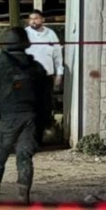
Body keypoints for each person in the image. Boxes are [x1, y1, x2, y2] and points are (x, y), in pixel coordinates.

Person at [0, 27, 48, 204]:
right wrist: (45, 121)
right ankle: (23, 194)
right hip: (31, 119)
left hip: (5, 120)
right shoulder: (37, 68)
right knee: (25, 158)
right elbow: (47, 98)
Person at [24, 9, 64, 145]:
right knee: (30, 107)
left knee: (44, 107)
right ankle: (28, 137)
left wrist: (59, 73)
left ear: (42, 20)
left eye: (36, 18)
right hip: (28, 77)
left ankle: (39, 137)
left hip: (46, 77)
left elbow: (57, 55)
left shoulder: (51, 34)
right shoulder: (25, 34)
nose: (33, 21)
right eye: (31, 19)